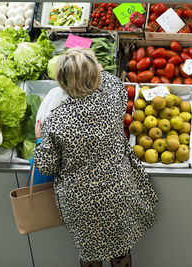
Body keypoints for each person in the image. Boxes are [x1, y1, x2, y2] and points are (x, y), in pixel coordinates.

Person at [33, 48, 158, 267]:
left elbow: (46, 166)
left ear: (62, 83)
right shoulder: (113, 94)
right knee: (120, 249)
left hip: (80, 202)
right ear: (95, 75)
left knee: (89, 253)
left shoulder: (56, 122)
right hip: (117, 190)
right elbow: (109, 79)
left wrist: (40, 139)